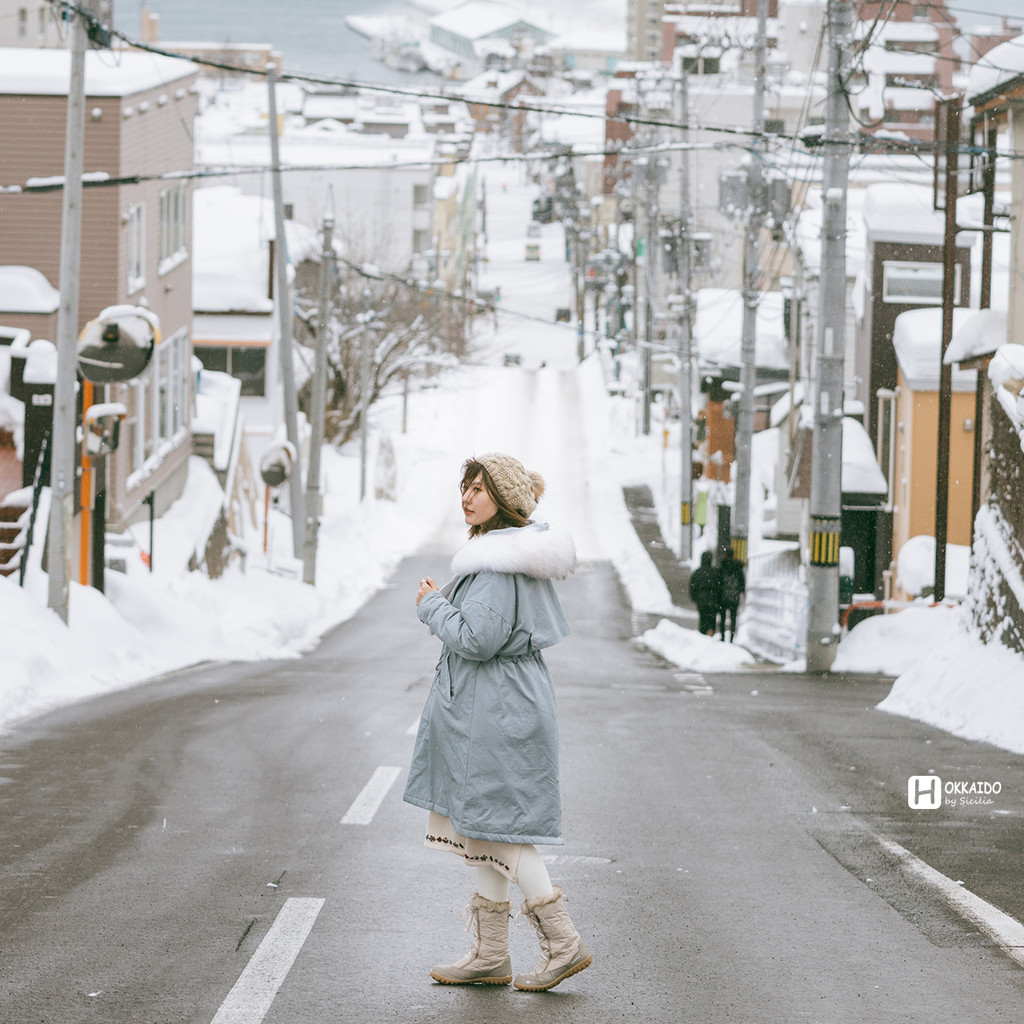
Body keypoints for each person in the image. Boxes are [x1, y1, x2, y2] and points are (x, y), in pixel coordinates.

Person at [404, 453, 592, 992]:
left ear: (504, 501)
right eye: (465, 486)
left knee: (502, 827)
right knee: (488, 822)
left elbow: (478, 640)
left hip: (498, 711)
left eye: (480, 488)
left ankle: (563, 943)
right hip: (500, 705)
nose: (467, 496)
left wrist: (431, 605)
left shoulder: (495, 564)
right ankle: (491, 954)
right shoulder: (502, 556)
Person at [688, 550, 721, 636]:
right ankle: (710, 634)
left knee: (703, 619)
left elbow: (693, 586)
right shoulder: (715, 572)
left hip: (701, 599)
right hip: (712, 599)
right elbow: (719, 587)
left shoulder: (698, 572)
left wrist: (694, 598)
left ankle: (702, 635)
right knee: (712, 619)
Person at [719, 547, 746, 642]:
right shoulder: (738, 567)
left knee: (722, 617)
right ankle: (731, 638)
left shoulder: (722, 565)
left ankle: (722, 637)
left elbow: (719, 580)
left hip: (723, 596)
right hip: (734, 595)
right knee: (733, 618)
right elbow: (742, 582)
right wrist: (742, 592)